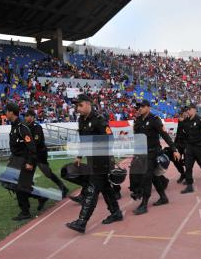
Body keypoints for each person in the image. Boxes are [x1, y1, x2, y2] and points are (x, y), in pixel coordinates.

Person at [66, 94, 122, 233]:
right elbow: (84, 141)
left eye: (80, 105)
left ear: (88, 104)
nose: (77, 108)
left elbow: (110, 139)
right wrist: (79, 156)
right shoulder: (81, 120)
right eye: (76, 105)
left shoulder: (99, 120)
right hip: (92, 160)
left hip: (102, 160)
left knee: (92, 190)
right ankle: (116, 212)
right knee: (105, 188)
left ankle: (82, 222)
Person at [131, 100, 180, 215]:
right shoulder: (138, 121)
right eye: (138, 107)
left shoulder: (155, 120)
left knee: (147, 177)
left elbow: (165, 135)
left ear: (148, 107)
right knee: (153, 176)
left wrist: (174, 149)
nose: (139, 109)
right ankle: (163, 197)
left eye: (142, 107)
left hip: (153, 153)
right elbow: (137, 138)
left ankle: (144, 204)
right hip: (142, 153)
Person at [6, 102, 47, 220]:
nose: (5, 113)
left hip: (24, 161)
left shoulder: (22, 127)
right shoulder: (14, 126)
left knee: (19, 186)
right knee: (11, 182)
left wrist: (29, 162)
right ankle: (40, 197)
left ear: (11, 112)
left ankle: (25, 211)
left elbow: (31, 147)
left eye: (6, 111)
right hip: (17, 160)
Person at [24, 110, 68, 198]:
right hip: (32, 154)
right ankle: (29, 193)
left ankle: (63, 187)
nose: (26, 117)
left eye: (27, 116)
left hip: (40, 154)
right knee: (28, 175)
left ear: (32, 117)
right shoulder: (26, 127)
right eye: (25, 116)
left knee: (47, 173)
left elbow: (36, 141)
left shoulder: (37, 127)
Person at [173, 106, 188, 183]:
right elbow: (178, 132)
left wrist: (182, 121)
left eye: (184, 112)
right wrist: (174, 145)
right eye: (182, 113)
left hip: (187, 144)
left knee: (187, 161)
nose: (183, 114)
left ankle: (188, 176)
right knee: (175, 159)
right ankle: (182, 173)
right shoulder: (180, 120)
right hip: (179, 143)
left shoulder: (189, 120)